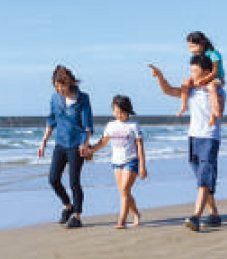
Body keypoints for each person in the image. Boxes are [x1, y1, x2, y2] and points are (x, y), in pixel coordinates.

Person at [149, 55, 224, 232]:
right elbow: (168, 90)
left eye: (194, 71)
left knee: (204, 178)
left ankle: (196, 217)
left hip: (210, 137)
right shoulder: (190, 90)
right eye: (190, 70)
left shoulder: (216, 90)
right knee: (202, 179)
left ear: (206, 72)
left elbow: (219, 110)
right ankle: (214, 213)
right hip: (193, 138)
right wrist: (160, 76)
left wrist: (213, 96)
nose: (191, 74)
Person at [38, 65, 93, 229]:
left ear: (69, 82)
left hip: (77, 145)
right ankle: (68, 206)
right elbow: (51, 120)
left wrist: (85, 144)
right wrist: (44, 142)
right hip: (61, 144)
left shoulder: (83, 98)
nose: (60, 89)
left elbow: (87, 125)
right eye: (57, 86)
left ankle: (77, 216)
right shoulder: (55, 98)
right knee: (53, 179)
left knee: (74, 181)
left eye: (62, 85)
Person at [86, 95, 148, 229]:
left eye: (122, 112)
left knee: (125, 190)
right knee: (124, 193)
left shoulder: (133, 126)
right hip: (116, 162)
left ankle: (122, 221)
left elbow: (140, 146)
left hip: (131, 161)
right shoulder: (111, 125)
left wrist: (142, 166)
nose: (119, 115)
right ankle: (137, 214)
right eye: (116, 111)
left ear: (128, 111)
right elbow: (102, 142)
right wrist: (91, 150)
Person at [176, 31, 226, 126]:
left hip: (216, 78)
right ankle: (183, 105)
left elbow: (215, 71)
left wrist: (205, 80)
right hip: (203, 78)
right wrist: (192, 80)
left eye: (193, 47)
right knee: (185, 82)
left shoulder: (213, 54)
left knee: (211, 88)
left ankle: (214, 113)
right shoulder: (197, 56)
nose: (191, 50)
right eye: (189, 47)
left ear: (202, 43)